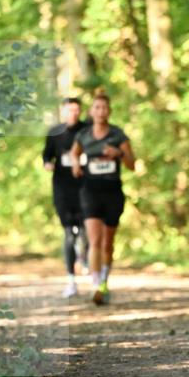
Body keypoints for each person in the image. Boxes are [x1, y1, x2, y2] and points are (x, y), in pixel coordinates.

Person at [71, 91, 135, 305]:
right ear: (92, 111)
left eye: (104, 108)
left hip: (112, 192)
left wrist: (119, 154)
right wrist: (76, 164)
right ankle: (96, 285)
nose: (101, 111)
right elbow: (74, 153)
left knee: (108, 243)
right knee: (95, 240)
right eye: (97, 107)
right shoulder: (84, 135)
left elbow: (132, 164)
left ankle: (105, 280)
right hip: (89, 191)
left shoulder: (117, 134)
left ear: (109, 111)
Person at [43, 97, 90, 298]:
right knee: (69, 233)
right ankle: (71, 280)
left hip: (86, 188)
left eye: (77, 110)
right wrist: (47, 164)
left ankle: (84, 256)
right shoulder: (55, 132)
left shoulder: (88, 129)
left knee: (86, 232)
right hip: (63, 189)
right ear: (63, 112)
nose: (74, 113)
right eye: (70, 110)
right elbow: (46, 156)